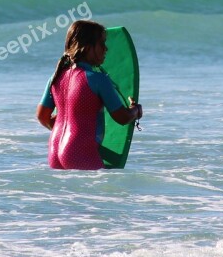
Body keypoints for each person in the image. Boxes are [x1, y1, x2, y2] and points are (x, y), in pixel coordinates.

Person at [36, 20, 143, 169]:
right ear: (87, 47)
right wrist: (136, 110)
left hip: (55, 150)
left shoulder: (56, 78)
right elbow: (122, 117)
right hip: (80, 153)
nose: (106, 49)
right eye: (101, 44)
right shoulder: (98, 79)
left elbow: (42, 116)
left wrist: (70, 126)